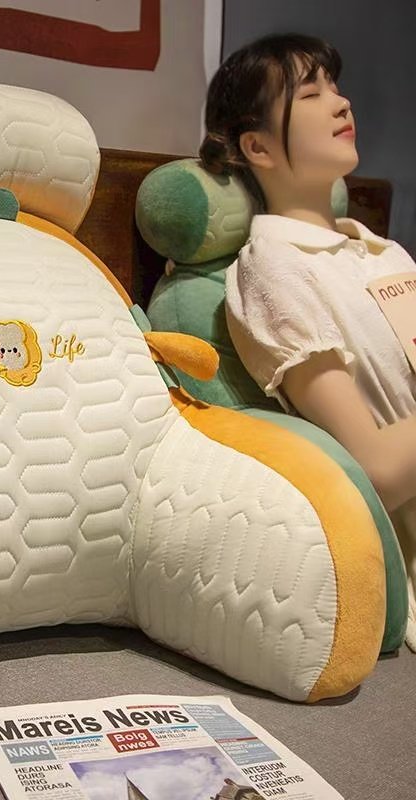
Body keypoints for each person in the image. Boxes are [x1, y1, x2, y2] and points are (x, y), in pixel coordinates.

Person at [199, 33, 416, 648]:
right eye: (312, 93)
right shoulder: (273, 268)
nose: (342, 103)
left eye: (336, 87)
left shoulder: (384, 251)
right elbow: (376, 470)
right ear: (258, 146)